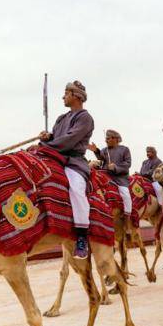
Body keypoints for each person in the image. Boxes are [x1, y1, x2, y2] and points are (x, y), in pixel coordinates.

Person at [38, 80, 94, 259]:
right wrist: (48, 137)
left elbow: (70, 139)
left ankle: (81, 237)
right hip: (54, 156)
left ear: (76, 96)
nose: (63, 96)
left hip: (73, 162)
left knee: (76, 189)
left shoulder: (85, 118)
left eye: (66, 93)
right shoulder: (61, 118)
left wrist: (46, 145)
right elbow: (57, 137)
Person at [90, 129, 133, 215]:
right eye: (106, 138)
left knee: (125, 195)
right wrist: (96, 151)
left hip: (119, 178)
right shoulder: (105, 150)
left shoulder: (125, 149)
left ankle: (127, 217)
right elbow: (101, 157)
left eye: (108, 138)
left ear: (115, 139)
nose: (106, 140)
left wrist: (115, 167)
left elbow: (128, 164)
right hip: (106, 176)